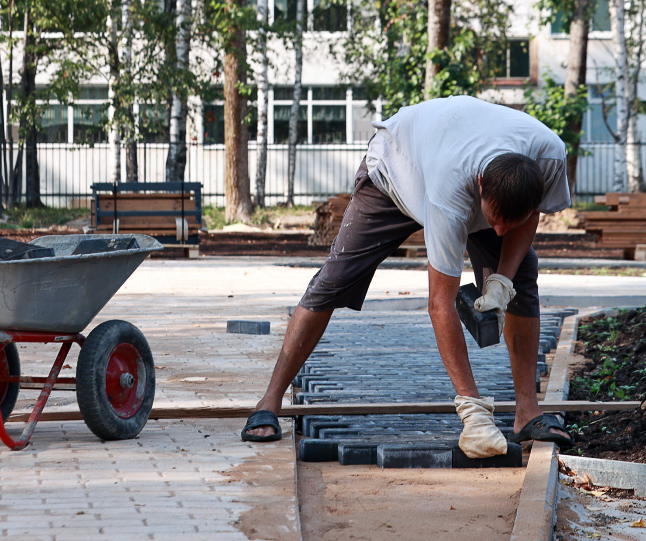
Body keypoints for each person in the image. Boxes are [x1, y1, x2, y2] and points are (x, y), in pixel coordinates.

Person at [241, 95, 574, 457]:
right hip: (397, 167)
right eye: (493, 219)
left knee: (522, 281)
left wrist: (502, 282)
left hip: (456, 159)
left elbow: (527, 218)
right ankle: (269, 400)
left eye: (509, 222)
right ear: (480, 185)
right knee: (333, 281)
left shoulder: (549, 157)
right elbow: (439, 304)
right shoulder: (451, 191)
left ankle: (528, 412)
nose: (497, 232)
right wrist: (474, 414)